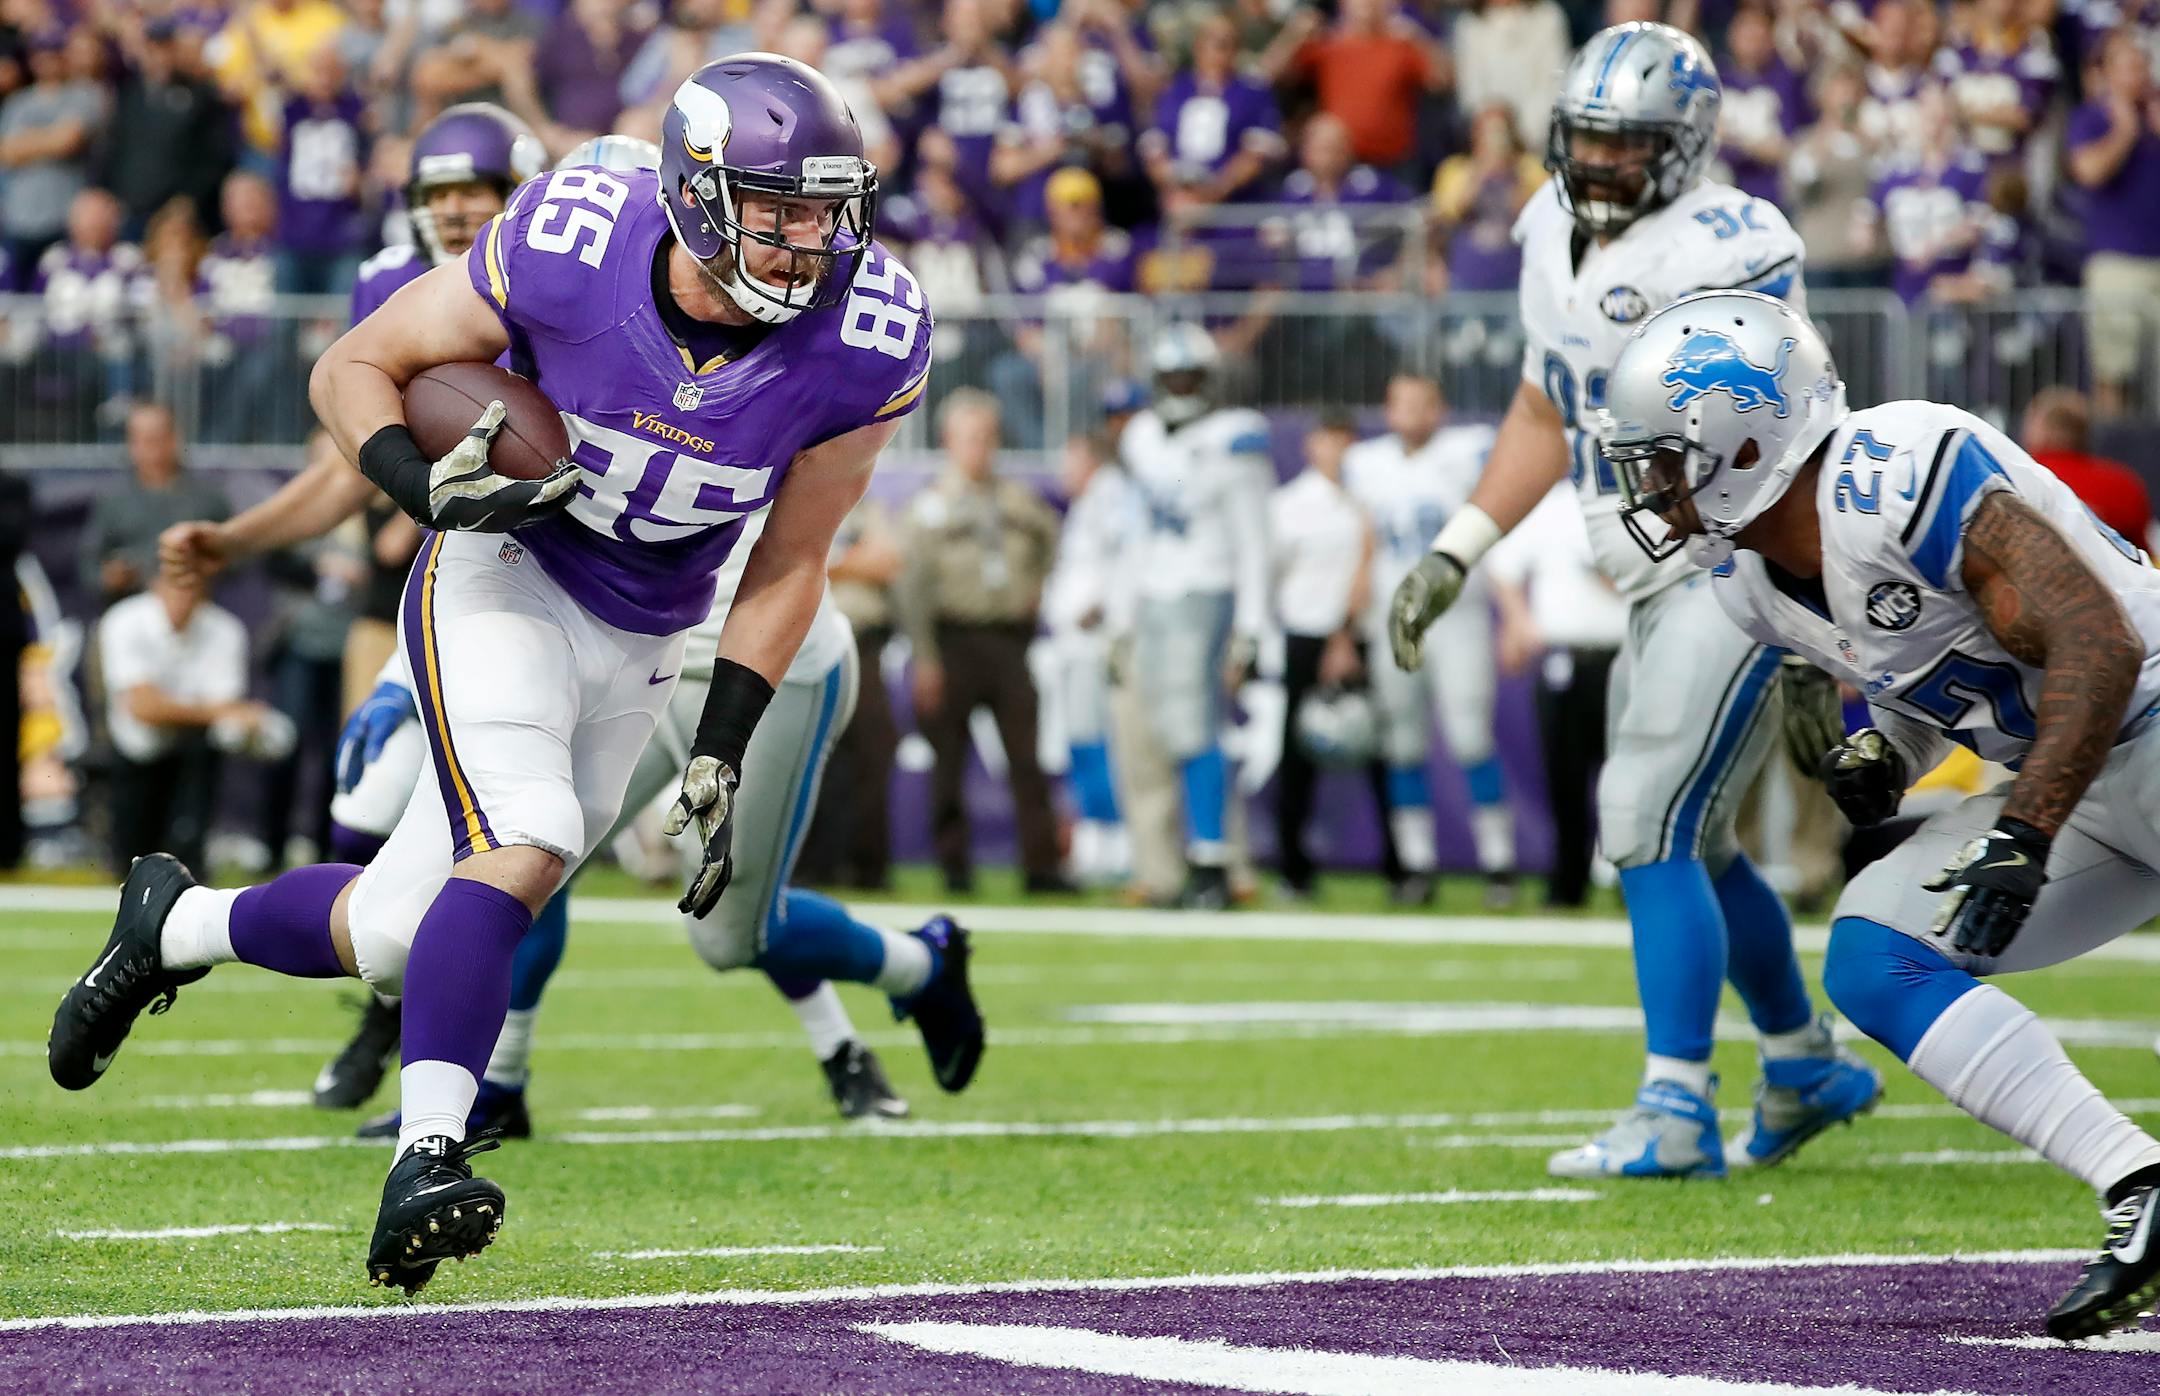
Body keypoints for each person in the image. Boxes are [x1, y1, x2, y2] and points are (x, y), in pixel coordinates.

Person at [51, 56, 978, 1297]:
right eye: (778, 209)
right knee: (528, 836)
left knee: (395, 932)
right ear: (696, 194)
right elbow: (350, 369)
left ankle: (174, 925)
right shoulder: (573, 241)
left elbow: (793, 558)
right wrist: (420, 486)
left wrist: (721, 738)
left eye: (826, 210)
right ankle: (430, 1154)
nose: (811, 241)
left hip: (650, 629)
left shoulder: (870, 332)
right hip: (505, 570)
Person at [1600, 288, 2160, 1341]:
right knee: (1872, 954)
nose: (1654, 489)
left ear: (1745, 439)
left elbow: (2098, 642)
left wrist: (2024, 834)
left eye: (1668, 459)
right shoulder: (1751, 581)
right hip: (2076, 779)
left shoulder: (1898, 468)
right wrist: (1891, 752)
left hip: (2145, 723)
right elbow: (1944, 672)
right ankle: (2138, 1178)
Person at [1388, 23, 1880, 1180]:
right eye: (1590, 139)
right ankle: (1801, 1060)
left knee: (1645, 817)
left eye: (1629, 143)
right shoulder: (1546, 229)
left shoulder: (1729, 243)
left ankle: (1675, 1107)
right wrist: (1459, 549)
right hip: (1645, 571)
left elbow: (1803, 435)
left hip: (1733, 563)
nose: (1601, 163)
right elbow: (1543, 405)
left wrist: (1811, 631)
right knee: (1693, 840)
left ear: (1688, 144)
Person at [1120, 323, 1272, 909]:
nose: (1181, 387)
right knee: (1162, 735)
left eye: (1190, 377)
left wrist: (1252, 627)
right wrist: (1121, 616)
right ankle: (1185, 864)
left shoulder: (1235, 438)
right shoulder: (1141, 436)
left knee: (1194, 728)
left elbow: (1255, 542)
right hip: (1153, 597)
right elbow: (1137, 534)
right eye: (1172, 377)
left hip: (1206, 590)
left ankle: (1211, 861)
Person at [1348, 374, 1514, 906]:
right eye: (1401, 404)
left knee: (1470, 737)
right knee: (1401, 743)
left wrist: (1510, 612)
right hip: (1394, 617)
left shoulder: (1467, 451)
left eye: (1422, 404)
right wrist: (1350, 621)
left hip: (1458, 616)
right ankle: (1416, 865)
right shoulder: (1367, 462)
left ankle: (1499, 864)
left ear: (1440, 408)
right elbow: (1367, 541)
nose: (1412, 414)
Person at [896, 389, 1067, 895]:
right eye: (970, 437)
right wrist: (924, 656)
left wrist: (1037, 587)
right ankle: (954, 868)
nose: (979, 447)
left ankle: (1042, 868)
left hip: (1009, 640)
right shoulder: (929, 505)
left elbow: (1053, 541)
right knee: (949, 760)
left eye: (987, 437)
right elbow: (911, 586)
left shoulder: (1019, 499)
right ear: (949, 441)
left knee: (1027, 758)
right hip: (952, 637)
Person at [1489, 485, 1625, 907]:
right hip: (1563, 654)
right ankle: (1568, 880)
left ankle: (1630, 876)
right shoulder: (1552, 506)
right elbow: (1503, 566)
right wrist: (1516, 622)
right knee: (1564, 776)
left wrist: (1613, 575)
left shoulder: (1639, 501)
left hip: (1624, 655)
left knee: (1627, 776)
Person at [96, 571, 281, 874]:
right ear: (156, 585)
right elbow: (143, 709)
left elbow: (227, 710)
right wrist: (212, 711)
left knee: (242, 736)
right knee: (129, 860)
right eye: (175, 585)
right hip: (136, 748)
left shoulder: (224, 628)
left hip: (193, 749)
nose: (182, 597)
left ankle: (191, 852)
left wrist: (177, 710)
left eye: (191, 586)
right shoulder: (124, 620)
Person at [1269, 411, 1374, 898]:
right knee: (1297, 755)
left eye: (1344, 440)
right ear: (1311, 445)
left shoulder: (1367, 499)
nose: (1336, 451)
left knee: (1379, 752)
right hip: (1307, 635)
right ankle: (1293, 867)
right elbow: (1273, 575)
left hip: (1360, 636)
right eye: (1328, 440)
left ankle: (1402, 868)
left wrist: (1346, 636)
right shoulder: (1289, 505)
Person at [1043, 430, 1137, 888]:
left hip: (1093, 642)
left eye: (1071, 460)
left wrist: (1098, 606)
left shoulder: (1111, 497)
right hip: (1075, 642)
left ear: (1091, 461)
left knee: (1096, 743)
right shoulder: (1090, 502)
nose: (1064, 471)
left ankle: (1116, 845)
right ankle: (1097, 843)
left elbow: (1125, 560)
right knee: (1082, 744)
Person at [2065, 30, 2160, 418]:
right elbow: (2089, 172)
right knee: (2114, 372)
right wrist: (2125, 132)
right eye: (2127, 65)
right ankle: (2114, 444)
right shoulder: (2091, 117)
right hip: (2117, 262)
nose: (2138, 73)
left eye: (2141, 64)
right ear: (2105, 73)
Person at [78, 402, 229, 613]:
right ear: (131, 444)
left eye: (159, 437)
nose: (154, 448)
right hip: (132, 609)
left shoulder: (207, 497)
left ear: (175, 437)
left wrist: (201, 567)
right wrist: (111, 577)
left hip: (199, 608)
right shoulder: (113, 499)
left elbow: (236, 556)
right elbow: (89, 566)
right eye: (145, 439)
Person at [2019, 387, 2154, 554]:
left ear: (2045, 431)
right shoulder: (2125, 483)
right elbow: (2141, 555)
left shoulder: (2024, 475)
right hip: (2104, 568)